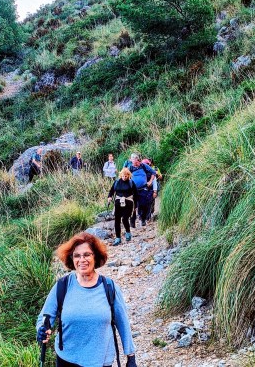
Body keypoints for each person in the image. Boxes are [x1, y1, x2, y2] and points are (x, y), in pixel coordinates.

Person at [36, 232, 137, 367]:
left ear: (95, 256)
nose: (82, 260)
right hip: (67, 359)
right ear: (71, 259)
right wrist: (42, 329)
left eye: (87, 254)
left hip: (100, 361)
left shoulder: (109, 287)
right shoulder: (62, 286)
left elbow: (123, 323)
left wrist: (131, 357)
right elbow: (45, 317)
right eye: (77, 256)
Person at [123, 154, 156, 227]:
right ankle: (132, 222)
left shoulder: (143, 166)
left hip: (143, 188)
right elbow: (123, 176)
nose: (132, 161)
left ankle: (143, 219)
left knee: (143, 204)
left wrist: (150, 181)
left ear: (137, 159)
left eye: (133, 160)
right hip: (133, 190)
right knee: (133, 206)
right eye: (131, 160)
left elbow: (153, 172)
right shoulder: (130, 167)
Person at [107, 168, 137, 245]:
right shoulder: (117, 182)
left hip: (128, 202)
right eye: (123, 176)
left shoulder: (131, 183)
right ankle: (118, 238)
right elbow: (111, 191)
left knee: (125, 219)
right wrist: (109, 197)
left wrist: (135, 206)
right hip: (118, 202)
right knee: (117, 220)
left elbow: (136, 194)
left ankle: (128, 232)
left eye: (126, 176)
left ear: (129, 175)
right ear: (120, 175)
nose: (124, 178)